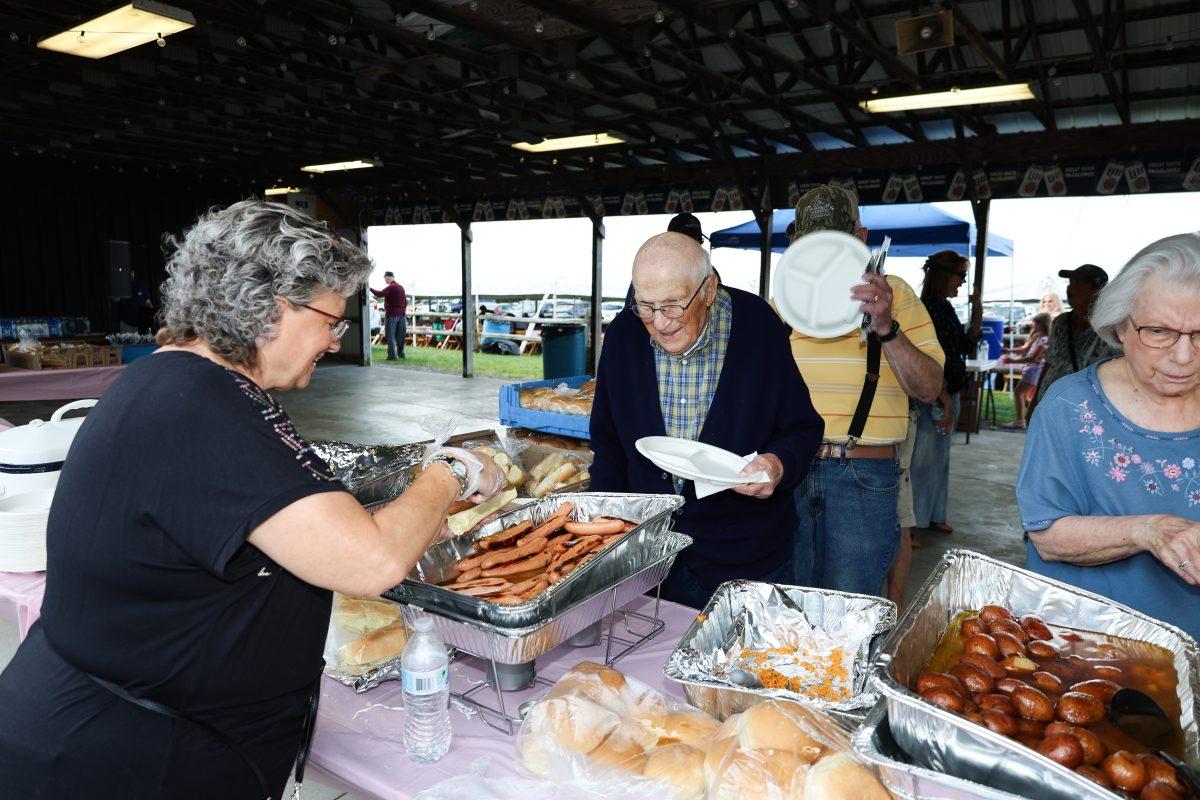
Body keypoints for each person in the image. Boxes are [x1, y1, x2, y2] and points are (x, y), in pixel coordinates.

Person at [0, 201, 506, 798]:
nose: (335, 341)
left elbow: (259, 521)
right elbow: (371, 563)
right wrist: (450, 470)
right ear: (271, 307)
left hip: (128, 737)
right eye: (331, 321)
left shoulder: (174, 382)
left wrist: (393, 518)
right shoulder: (202, 408)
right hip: (120, 760)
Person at [590, 232, 823, 608]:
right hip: (650, 563)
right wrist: (600, 538)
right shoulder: (622, 336)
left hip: (747, 559)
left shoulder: (758, 327)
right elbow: (608, 448)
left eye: (672, 306)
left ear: (709, 289)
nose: (659, 323)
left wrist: (778, 466)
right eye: (645, 306)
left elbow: (803, 427)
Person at [1016, 233, 1200, 639]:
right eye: (1159, 331)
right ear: (1121, 327)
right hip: (1089, 651)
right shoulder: (1070, 408)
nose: (1184, 355)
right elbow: (1046, 535)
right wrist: (1149, 530)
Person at [787, 186, 945, 596]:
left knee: (849, 607)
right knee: (787, 603)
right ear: (794, 241)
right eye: (813, 241)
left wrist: (886, 327)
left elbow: (929, 388)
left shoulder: (897, 296)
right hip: (791, 471)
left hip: (863, 473)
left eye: (837, 240)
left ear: (860, 237)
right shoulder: (784, 300)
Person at [911, 250, 975, 534]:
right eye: (960, 275)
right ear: (944, 275)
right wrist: (942, 396)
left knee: (939, 457)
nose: (962, 282)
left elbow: (963, 345)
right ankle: (911, 524)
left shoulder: (944, 308)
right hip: (934, 395)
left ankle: (933, 515)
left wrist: (979, 311)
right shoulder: (926, 309)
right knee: (921, 460)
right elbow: (931, 359)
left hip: (947, 392)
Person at [1031, 264, 1120, 409]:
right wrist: (1034, 404)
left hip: (1088, 409)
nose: (1070, 287)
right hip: (1050, 404)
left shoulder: (1111, 327)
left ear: (1097, 290)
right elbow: (1049, 363)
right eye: (1070, 282)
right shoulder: (1060, 322)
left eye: (1077, 282)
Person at [1000, 312, 1051, 429]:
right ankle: (1033, 415)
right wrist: (1009, 350)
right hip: (1030, 369)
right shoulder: (1037, 336)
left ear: (1041, 324)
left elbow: (1033, 358)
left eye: (1035, 322)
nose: (1033, 324)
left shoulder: (1044, 339)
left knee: (1018, 393)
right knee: (1022, 395)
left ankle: (1020, 420)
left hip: (1035, 370)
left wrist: (1011, 361)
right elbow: (1024, 349)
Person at [370, 270, 408, 360]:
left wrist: (369, 289)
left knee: (390, 335)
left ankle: (392, 356)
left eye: (385, 278)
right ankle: (401, 353)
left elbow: (379, 294)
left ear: (388, 277)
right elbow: (405, 302)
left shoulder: (391, 287)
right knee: (400, 335)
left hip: (392, 314)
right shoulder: (401, 287)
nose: (385, 280)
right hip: (402, 314)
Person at [113, 268, 154, 333]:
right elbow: (115, 300)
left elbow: (148, 302)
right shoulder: (121, 286)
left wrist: (153, 314)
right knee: (128, 342)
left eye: (132, 273)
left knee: (143, 342)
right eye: (129, 273)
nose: (131, 275)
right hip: (126, 323)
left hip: (141, 323)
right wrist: (120, 286)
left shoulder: (140, 285)